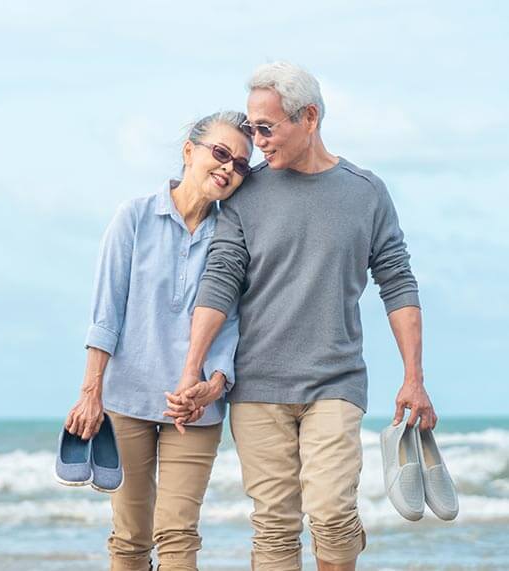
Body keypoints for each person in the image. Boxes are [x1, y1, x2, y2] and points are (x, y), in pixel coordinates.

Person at [166, 62, 438, 571]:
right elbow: (219, 279)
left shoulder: (366, 192)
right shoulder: (245, 194)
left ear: (308, 117)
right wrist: (191, 369)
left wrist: (414, 379)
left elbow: (397, 281)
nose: (257, 143)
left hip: (334, 381)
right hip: (257, 387)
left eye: (266, 128)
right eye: (251, 129)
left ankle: (345, 532)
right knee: (274, 525)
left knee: (332, 516)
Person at [63, 111, 253, 571]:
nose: (229, 168)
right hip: (125, 400)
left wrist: (215, 384)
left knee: (178, 536)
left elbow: (232, 321)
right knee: (129, 538)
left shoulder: (233, 234)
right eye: (221, 153)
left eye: (242, 164)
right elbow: (106, 312)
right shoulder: (134, 217)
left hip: (194, 408)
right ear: (190, 151)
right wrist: (91, 393)